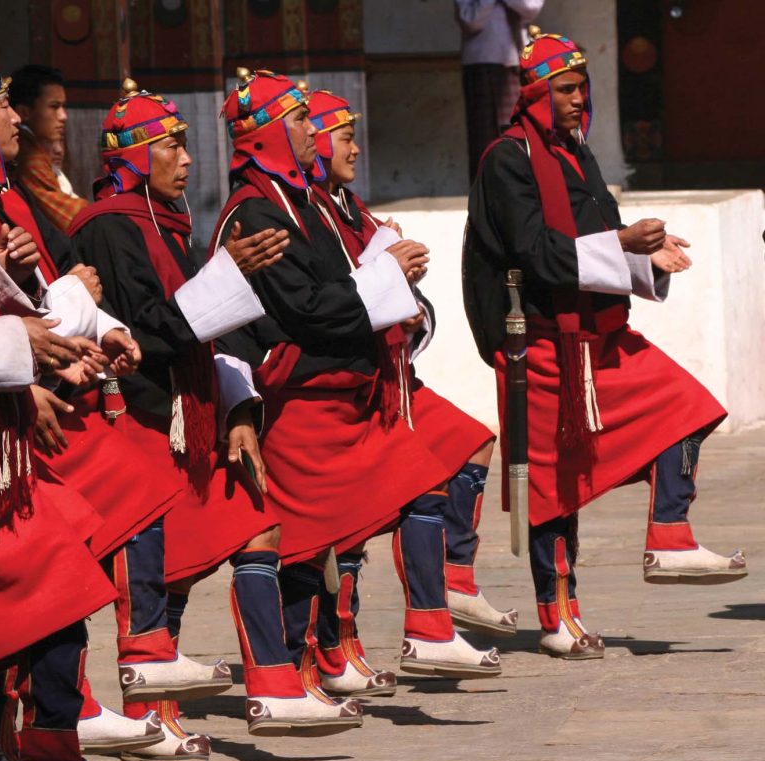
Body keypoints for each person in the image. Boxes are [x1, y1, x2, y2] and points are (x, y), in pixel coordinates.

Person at [69, 79, 363, 748]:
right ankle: (148, 715)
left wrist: (237, 410)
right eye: (171, 145)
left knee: (257, 526)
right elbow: (143, 332)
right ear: (139, 156)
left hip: (191, 416)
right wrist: (225, 275)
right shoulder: (111, 225)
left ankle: (273, 687)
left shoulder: (165, 222)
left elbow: (209, 327)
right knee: (163, 563)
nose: (187, 158)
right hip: (139, 422)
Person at [0, 55, 235, 761]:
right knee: (49, 574)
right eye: (3, 105)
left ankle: (55, 730)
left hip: (20, 399)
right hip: (0, 420)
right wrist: (43, 348)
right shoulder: (109, 220)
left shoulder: (0, 191)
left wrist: (73, 329)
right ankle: (40, 727)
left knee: (65, 564)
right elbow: (16, 305)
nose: (21, 118)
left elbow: (13, 297)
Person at [209, 69, 501, 688]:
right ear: (265, 135)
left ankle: (409, 623)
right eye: (305, 122)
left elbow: (329, 296)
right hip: (301, 398)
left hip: (353, 387)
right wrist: (388, 275)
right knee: (297, 543)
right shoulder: (256, 211)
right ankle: (293, 667)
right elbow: (305, 309)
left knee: (397, 497)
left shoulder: (305, 205)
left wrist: (400, 294)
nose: (323, 137)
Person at [463, 28, 746, 660]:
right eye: (564, 89)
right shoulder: (507, 159)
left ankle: (669, 533)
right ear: (535, 95)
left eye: (580, 88)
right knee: (554, 488)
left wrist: (650, 257)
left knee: (689, 407)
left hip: (600, 337)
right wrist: (622, 246)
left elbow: (603, 231)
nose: (575, 100)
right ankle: (557, 615)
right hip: (542, 343)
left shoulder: (578, 154)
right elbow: (534, 252)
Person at [302, 88, 518, 695]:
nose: (355, 147)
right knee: (372, 509)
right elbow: (325, 301)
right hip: (348, 387)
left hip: (396, 378)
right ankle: (341, 640)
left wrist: (410, 295)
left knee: (471, 444)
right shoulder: (307, 212)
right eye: (343, 136)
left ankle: (449, 584)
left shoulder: (352, 208)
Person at [0, 238, 141, 761]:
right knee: (43, 592)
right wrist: (18, 353)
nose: (187, 161)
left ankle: (37, 747)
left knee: (66, 572)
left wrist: (6, 279)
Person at [454, 0, 544, 182]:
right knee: (483, 140)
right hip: (481, 60)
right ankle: (484, 202)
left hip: (517, 61)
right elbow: (470, 20)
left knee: (517, 135)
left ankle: (518, 197)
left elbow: (531, 7)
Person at [9, 64, 88, 231]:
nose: (63, 116)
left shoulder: (34, 145)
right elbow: (71, 216)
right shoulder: (25, 153)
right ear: (24, 112)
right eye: (54, 107)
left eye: (63, 106)